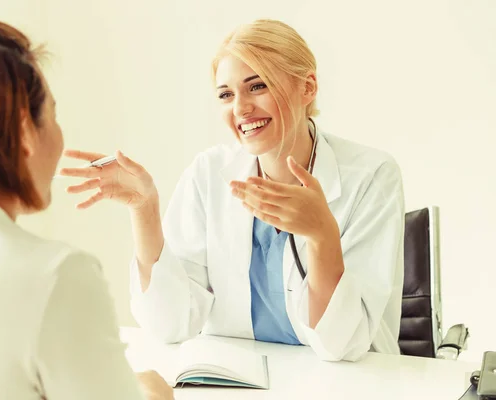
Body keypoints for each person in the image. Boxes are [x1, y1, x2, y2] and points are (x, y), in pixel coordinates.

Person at [60, 19, 405, 362]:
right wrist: (145, 210)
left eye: (257, 87)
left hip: (349, 382)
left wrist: (322, 237)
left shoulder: (371, 175)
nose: (241, 109)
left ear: (308, 87)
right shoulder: (209, 174)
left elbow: (343, 346)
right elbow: (169, 325)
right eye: (226, 94)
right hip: (237, 383)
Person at [0, 15, 173, 400]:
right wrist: (154, 392)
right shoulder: (57, 274)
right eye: (53, 116)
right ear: (25, 130)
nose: (59, 137)